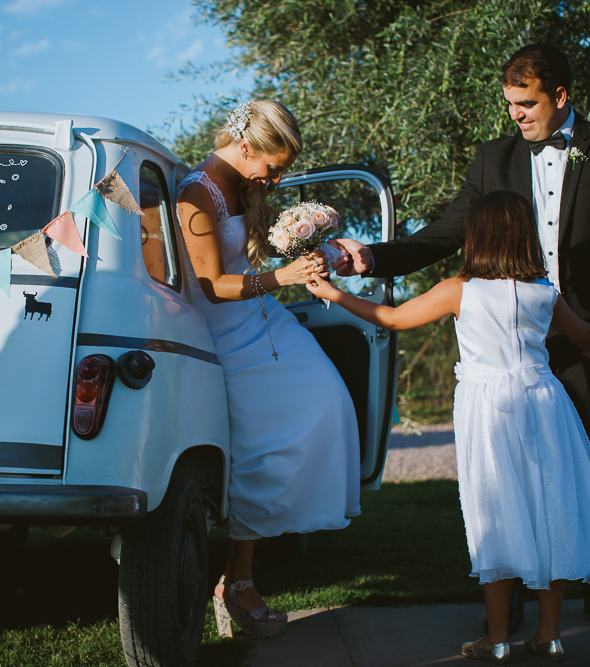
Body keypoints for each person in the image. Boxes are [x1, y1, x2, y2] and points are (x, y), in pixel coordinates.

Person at [332, 42, 590, 627]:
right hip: (511, 344)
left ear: (560, 97)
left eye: (527, 103)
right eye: (509, 103)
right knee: (507, 470)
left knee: (589, 454)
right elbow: (444, 233)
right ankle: (508, 603)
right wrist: (371, 259)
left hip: (583, 332)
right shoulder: (492, 160)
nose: (516, 115)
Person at [308, 189, 590, 663]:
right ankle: (549, 634)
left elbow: (393, 318)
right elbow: (588, 336)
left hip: (488, 411)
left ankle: (497, 637)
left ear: (476, 237)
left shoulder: (459, 289)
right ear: (525, 237)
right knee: (552, 512)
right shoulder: (544, 293)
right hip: (545, 405)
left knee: (495, 515)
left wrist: (334, 294)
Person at [176, 100, 361, 640]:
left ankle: (238, 580)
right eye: (272, 166)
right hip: (222, 328)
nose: (275, 178)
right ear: (246, 146)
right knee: (261, 449)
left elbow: (249, 260)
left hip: (260, 319)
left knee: (328, 398)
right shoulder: (195, 193)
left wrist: (305, 245)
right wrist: (282, 278)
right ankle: (237, 583)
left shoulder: (241, 182)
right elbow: (211, 284)